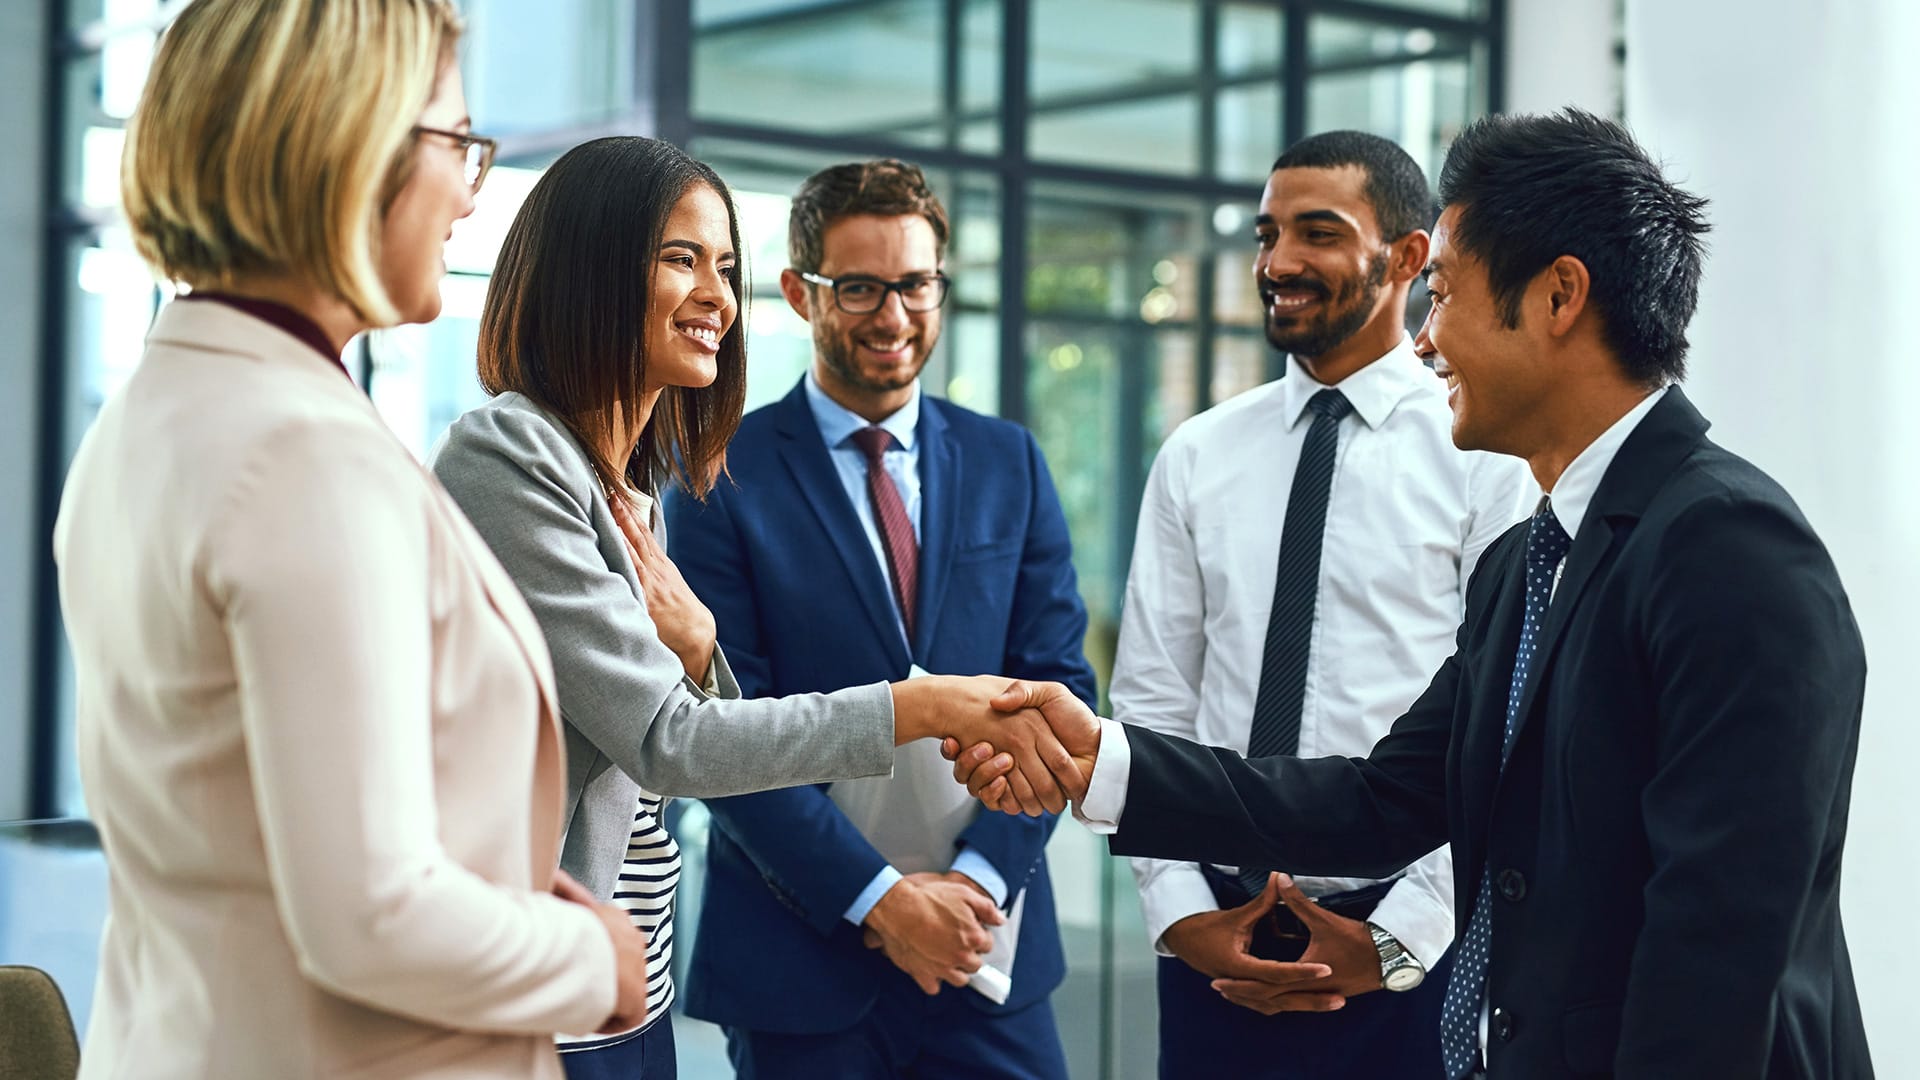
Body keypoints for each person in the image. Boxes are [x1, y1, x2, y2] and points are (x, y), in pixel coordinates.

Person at [953, 108, 1872, 1078]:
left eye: (1445, 297)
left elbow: (1718, 951)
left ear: (1559, 295)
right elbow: (1378, 800)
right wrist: (1095, 758)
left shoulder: (1728, 544)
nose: (1427, 343)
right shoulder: (1532, 561)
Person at [50, 2, 655, 1076]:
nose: (473, 194)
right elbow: (368, 917)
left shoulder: (158, 411)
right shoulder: (301, 456)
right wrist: (589, 957)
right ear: (348, 143)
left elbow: (246, 825)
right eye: (458, 144)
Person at [430, 140, 1073, 1080]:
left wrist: (698, 648)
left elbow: (687, 727)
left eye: (723, 267)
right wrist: (924, 707)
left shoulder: (629, 487)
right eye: (681, 258)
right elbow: (677, 743)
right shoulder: (511, 456)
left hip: (625, 984)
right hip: (552, 989)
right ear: (591, 265)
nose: (718, 299)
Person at [662, 159, 1097, 1080]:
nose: (893, 317)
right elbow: (725, 728)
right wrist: (883, 902)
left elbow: (1063, 689)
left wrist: (976, 887)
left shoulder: (1007, 459)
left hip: (992, 953)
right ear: (799, 291)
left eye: (916, 285)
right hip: (801, 963)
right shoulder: (716, 474)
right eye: (859, 288)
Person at [1112, 131, 1532, 1079]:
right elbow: (1152, 702)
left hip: (1402, 957)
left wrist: (1393, 943)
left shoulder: (1485, 457)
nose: (1279, 263)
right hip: (1213, 942)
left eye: (1318, 233)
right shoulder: (1197, 454)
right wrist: (1182, 917)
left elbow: (1495, 730)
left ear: (1408, 257)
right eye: (1267, 235)